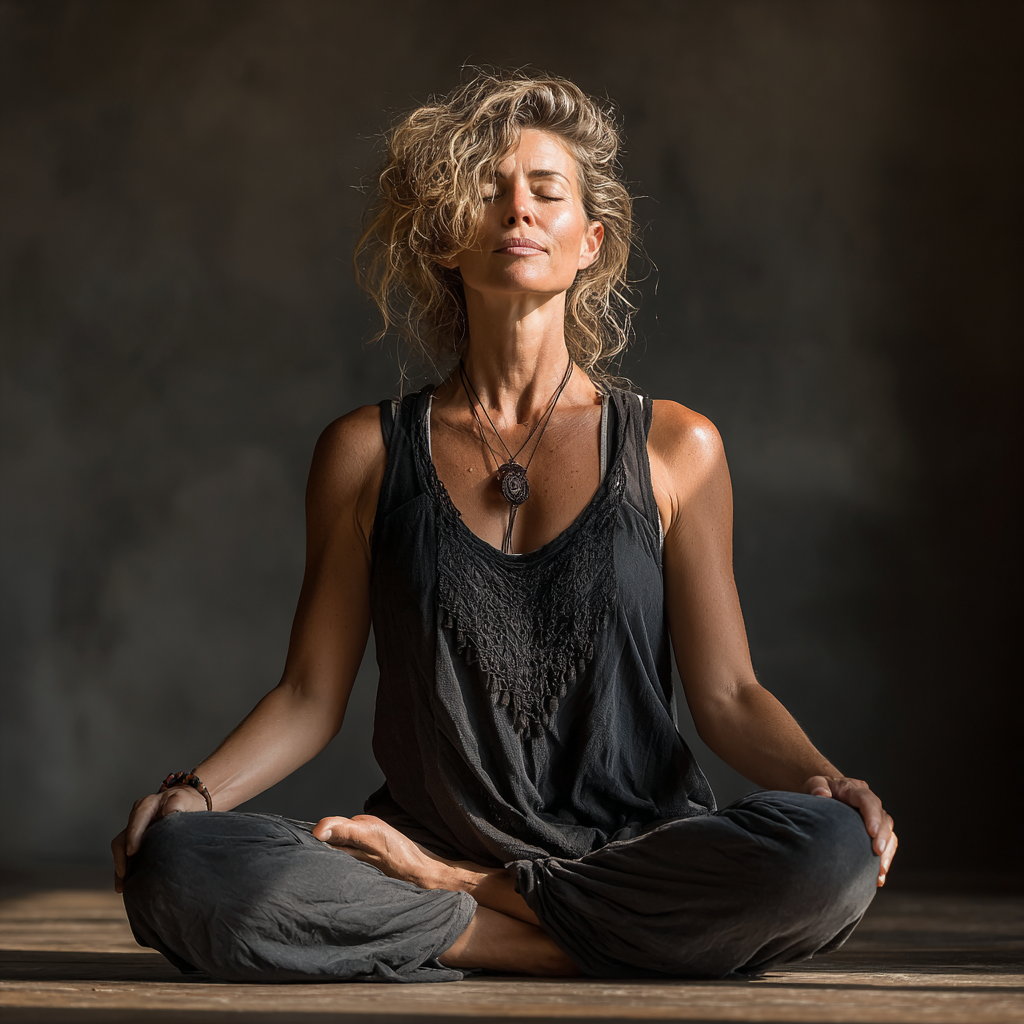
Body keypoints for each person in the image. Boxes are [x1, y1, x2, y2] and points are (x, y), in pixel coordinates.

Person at [111, 71, 897, 983]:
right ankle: (558, 937)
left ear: (590, 243)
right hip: (419, 841)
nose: (516, 209)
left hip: (630, 853)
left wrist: (829, 783)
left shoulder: (678, 448)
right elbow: (308, 697)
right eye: (487, 191)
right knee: (180, 865)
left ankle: (463, 899)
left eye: (544, 191)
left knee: (828, 853)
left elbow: (727, 696)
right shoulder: (366, 452)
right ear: (449, 239)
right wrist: (192, 796)